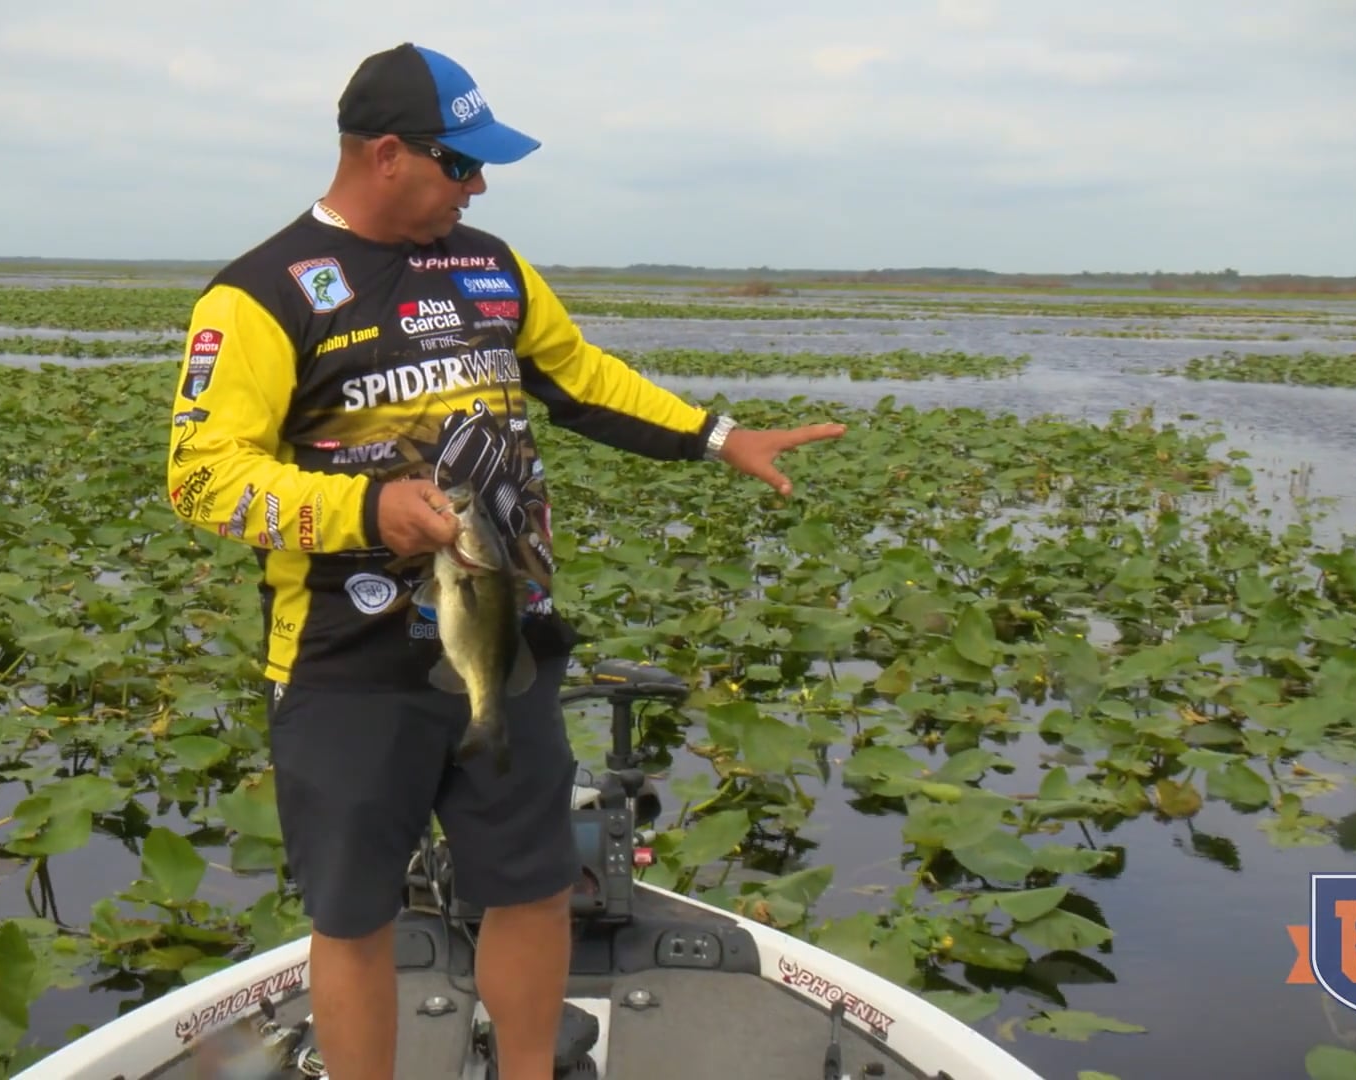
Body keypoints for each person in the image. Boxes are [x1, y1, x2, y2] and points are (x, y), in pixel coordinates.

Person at [163, 41, 845, 1080]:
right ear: (387, 154)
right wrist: (368, 507)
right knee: (353, 916)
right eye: (460, 164)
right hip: (347, 666)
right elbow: (205, 477)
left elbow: (580, 379)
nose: (476, 186)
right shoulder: (259, 295)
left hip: (506, 640)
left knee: (530, 886)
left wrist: (716, 437)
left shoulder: (488, 265)